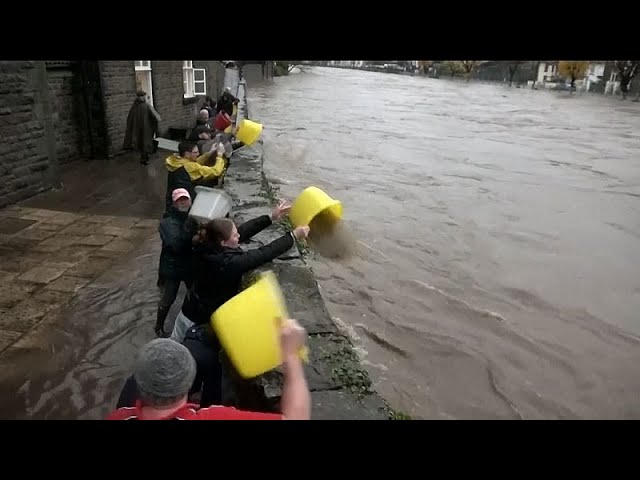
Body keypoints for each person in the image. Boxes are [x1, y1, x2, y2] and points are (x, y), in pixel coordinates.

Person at [107, 318, 311, 420]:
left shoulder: (119, 416)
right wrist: (291, 355)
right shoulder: (212, 416)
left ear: (140, 388)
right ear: (189, 383)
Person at [170, 200, 310, 341]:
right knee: (178, 354)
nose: (239, 236)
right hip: (196, 319)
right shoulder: (227, 263)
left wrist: (271, 217)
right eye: (234, 235)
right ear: (224, 243)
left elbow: (242, 231)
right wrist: (293, 236)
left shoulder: (206, 243)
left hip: (188, 309)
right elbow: (264, 253)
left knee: (171, 346)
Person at [155, 188, 198, 337]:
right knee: (168, 298)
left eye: (186, 199)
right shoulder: (167, 222)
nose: (184, 202)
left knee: (194, 293)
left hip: (189, 265)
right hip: (172, 267)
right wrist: (191, 229)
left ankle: (194, 321)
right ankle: (158, 327)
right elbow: (175, 244)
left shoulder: (195, 217)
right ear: (174, 203)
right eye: (180, 200)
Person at [164, 141, 226, 213]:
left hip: (173, 197)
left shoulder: (175, 160)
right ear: (187, 154)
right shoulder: (190, 167)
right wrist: (219, 157)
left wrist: (209, 153)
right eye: (195, 152)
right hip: (185, 200)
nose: (198, 154)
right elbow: (215, 171)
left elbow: (193, 163)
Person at [123, 90, 161, 166]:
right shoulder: (146, 106)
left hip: (136, 130)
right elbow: (157, 117)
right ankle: (145, 159)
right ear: (142, 97)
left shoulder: (134, 107)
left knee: (140, 142)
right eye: (144, 96)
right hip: (146, 128)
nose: (145, 97)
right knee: (146, 143)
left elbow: (130, 119)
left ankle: (143, 157)